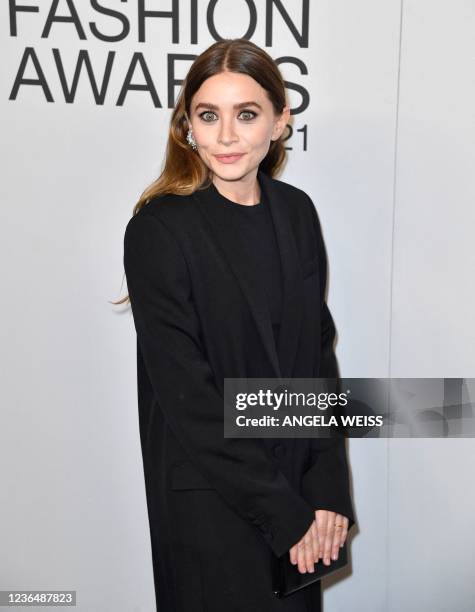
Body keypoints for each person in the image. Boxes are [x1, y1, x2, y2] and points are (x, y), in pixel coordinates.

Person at [119, 38, 356, 612]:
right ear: (187, 127)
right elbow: (188, 399)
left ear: (280, 122)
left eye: (246, 114)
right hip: (211, 502)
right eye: (208, 115)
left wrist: (326, 495)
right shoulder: (159, 229)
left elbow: (316, 360)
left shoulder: (296, 213)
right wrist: (284, 512)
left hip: (301, 497)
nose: (226, 135)